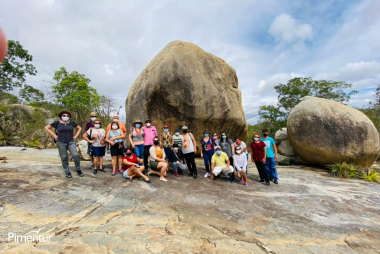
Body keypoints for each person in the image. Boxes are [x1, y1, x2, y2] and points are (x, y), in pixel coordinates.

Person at [44, 110, 83, 178]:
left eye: (67, 116)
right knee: (64, 157)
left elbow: (79, 128)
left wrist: (75, 136)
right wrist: (54, 136)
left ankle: (78, 169)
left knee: (75, 155)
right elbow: (47, 127)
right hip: (61, 141)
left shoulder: (71, 123)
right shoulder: (57, 123)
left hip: (71, 141)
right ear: (61, 116)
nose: (66, 117)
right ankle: (67, 171)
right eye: (64, 116)